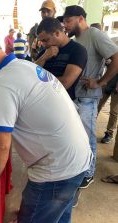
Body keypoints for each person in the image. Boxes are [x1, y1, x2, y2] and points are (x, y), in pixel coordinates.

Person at [0, 32, 92, 223]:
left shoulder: (3, 82)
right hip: (76, 162)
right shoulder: (22, 66)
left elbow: (1, 143)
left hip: (55, 172)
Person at [63, 5, 118, 188]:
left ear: (80, 18)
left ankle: (88, 173)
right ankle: (79, 168)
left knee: (87, 137)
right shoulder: (76, 38)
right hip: (75, 96)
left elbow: (116, 58)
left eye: (68, 21)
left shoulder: (94, 34)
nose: (65, 25)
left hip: (87, 97)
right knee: (77, 136)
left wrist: (100, 82)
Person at [36, 17, 87, 100]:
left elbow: (65, 82)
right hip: (42, 101)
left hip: (63, 104)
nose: (44, 44)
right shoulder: (44, 52)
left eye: (46, 40)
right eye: (41, 41)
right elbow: (31, 75)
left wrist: (38, 83)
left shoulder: (77, 50)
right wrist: (43, 58)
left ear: (57, 33)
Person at [98, 74, 118, 143]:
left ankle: (109, 133)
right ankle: (88, 127)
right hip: (107, 81)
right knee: (97, 105)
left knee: (114, 111)